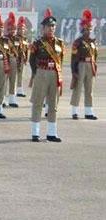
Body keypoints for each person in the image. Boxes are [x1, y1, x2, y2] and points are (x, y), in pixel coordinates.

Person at [29, 9, 64, 142]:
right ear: (43, 28)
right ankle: (35, 133)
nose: (51, 28)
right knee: (38, 103)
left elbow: (60, 59)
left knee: (53, 104)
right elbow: (32, 60)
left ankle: (51, 133)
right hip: (42, 73)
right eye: (49, 26)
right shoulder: (38, 43)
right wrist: (36, 73)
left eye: (53, 26)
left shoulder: (59, 43)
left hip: (55, 74)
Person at [70, 8, 98, 120]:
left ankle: (88, 112)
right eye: (86, 29)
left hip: (90, 65)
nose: (89, 31)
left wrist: (94, 65)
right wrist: (74, 71)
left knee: (89, 89)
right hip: (80, 65)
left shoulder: (92, 42)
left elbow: (95, 55)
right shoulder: (78, 42)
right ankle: (74, 111)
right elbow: (73, 58)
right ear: (83, 30)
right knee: (78, 88)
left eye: (90, 29)